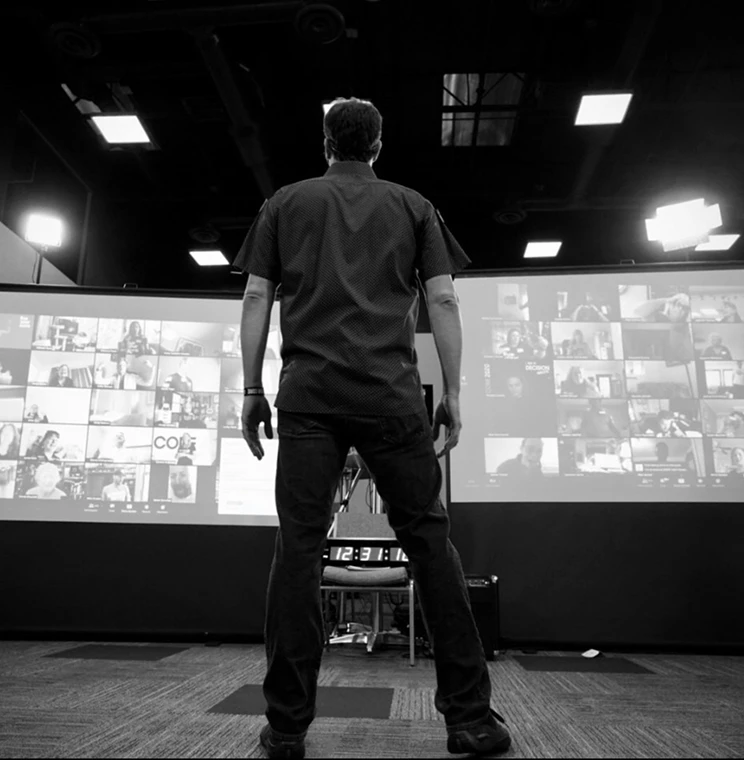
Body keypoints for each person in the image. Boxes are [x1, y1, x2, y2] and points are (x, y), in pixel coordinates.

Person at [233, 97, 510, 758]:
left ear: (326, 143)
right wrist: (454, 394)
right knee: (431, 547)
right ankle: (470, 720)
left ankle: (286, 728)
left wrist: (250, 389)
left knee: (299, 551)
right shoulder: (413, 205)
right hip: (390, 396)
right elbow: (443, 297)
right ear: (378, 145)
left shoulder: (285, 203)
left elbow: (256, 295)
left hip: (309, 396)